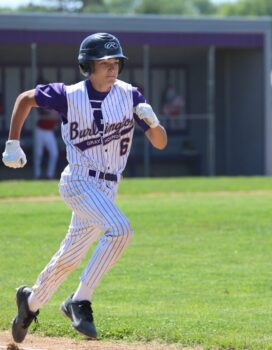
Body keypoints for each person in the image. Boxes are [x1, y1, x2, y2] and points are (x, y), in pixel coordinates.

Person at [2, 32, 167, 343]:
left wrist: (154, 122)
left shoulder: (131, 96)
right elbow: (25, 98)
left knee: (70, 256)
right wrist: (13, 142)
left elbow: (159, 143)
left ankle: (30, 302)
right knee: (121, 230)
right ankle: (80, 300)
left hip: (108, 188)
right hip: (78, 181)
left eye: (116, 61)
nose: (112, 68)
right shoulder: (69, 95)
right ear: (87, 65)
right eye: (104, 62)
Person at [34, 106, 59, 179]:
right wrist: (51, 112)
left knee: (54, 153)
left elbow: (56, 115)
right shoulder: (45, 102)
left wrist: (54, 113)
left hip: (49, 132)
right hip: (40, 130)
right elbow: (43, 110)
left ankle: (50, 175)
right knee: (38, 154)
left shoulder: (58, 103)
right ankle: (37, 175)